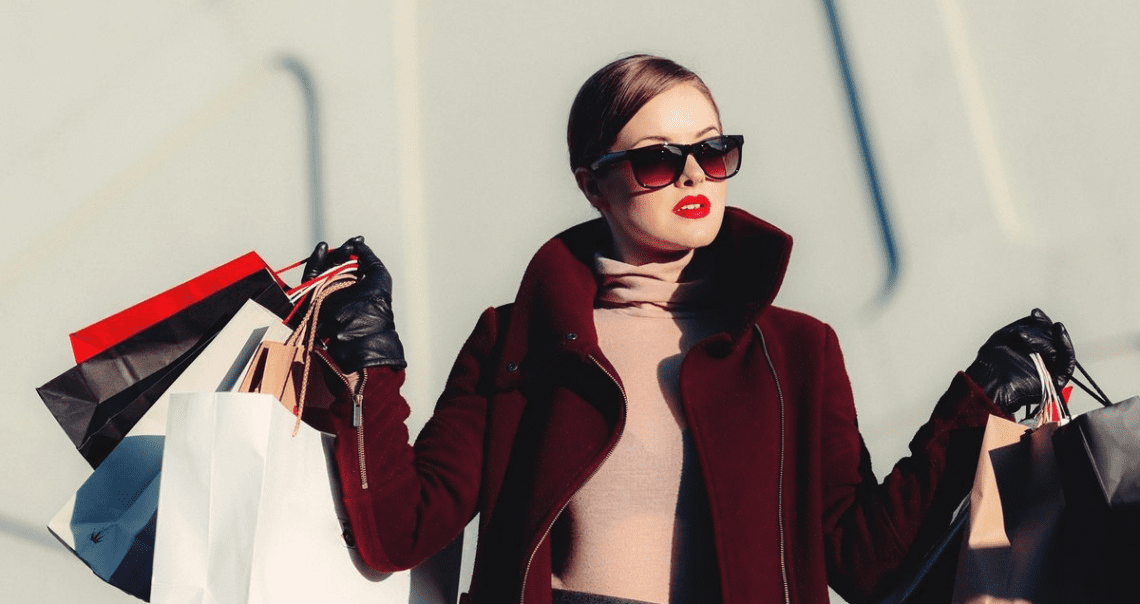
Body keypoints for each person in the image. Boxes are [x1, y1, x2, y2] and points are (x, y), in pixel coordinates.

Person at [301, 55, 1075, 604]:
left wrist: (978, 399)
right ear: (592, 183)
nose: (695, 175)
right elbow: (400, 531)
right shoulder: (519, 340)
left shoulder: (798, 351)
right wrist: (369, 361)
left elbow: (864, 562)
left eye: (712, 149)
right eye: (657, 161)